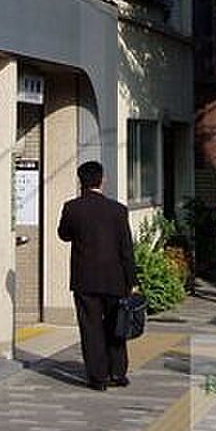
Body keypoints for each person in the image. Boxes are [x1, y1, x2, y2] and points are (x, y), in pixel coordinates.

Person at [58, 160, 137, 391]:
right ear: (102, 180)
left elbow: (64, 235)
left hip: (85, 279)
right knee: (116, 325)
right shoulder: (118, 210)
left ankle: (98, 377)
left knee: (90, 328)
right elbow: (126, 249)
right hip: (115, 278)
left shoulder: (72, 208)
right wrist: (132, 280)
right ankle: (118, 373)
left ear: (80, 181)